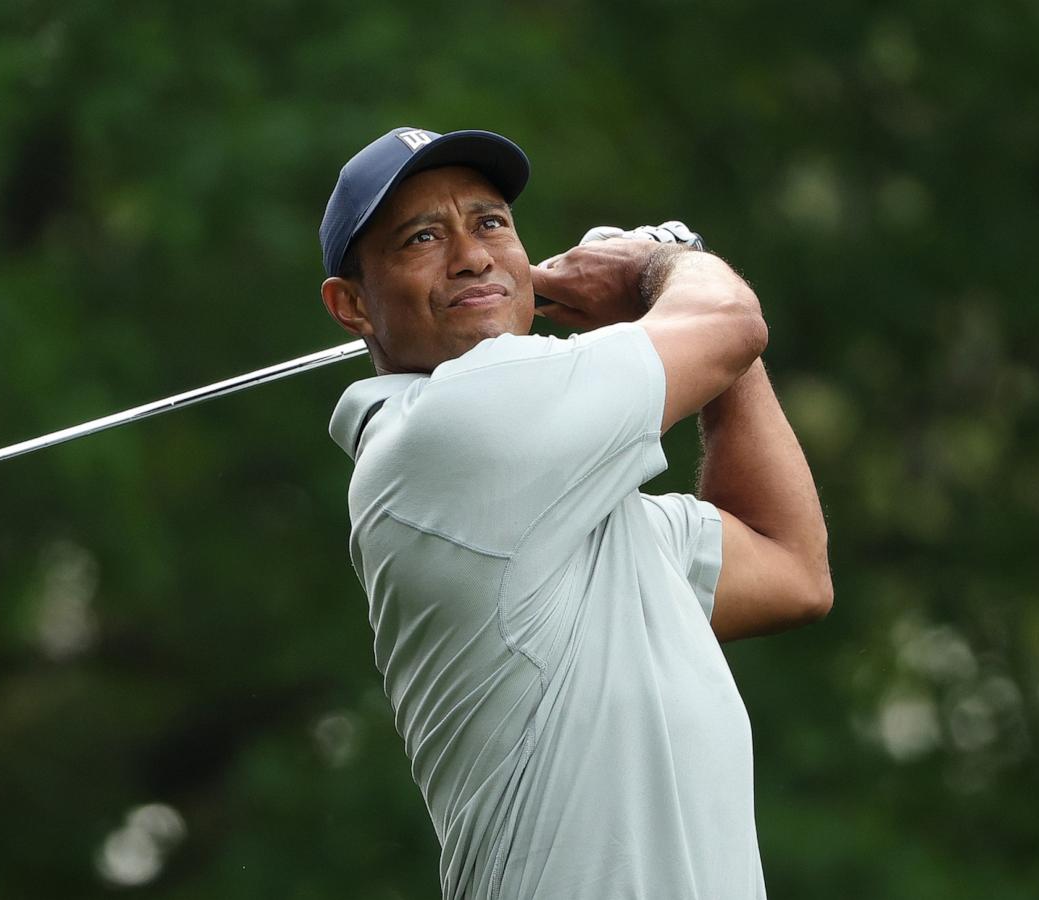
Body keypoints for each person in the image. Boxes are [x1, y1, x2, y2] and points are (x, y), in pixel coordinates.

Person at [317, 126, 832, 900]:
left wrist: (684, 313)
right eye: (422, 237)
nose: (471, 256)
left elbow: (792, 569)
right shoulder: (446, 432)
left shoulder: (579, 512)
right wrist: (666, 260)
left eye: (490, 223)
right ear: (351, 303)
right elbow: (730, 323)